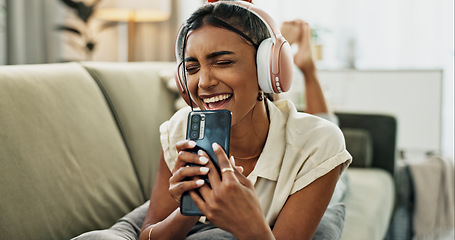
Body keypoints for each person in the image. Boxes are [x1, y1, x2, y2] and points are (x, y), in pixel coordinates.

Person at [73, 1, 351, 240]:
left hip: (312, 156)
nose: (203, 83)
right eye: (192, 68)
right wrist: (189, 208)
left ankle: (309, 69)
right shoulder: (181, 128)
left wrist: (251, 225)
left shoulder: (318, 145)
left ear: (267, 70)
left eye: (223, 62)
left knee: (326, 141)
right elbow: (149, 231)